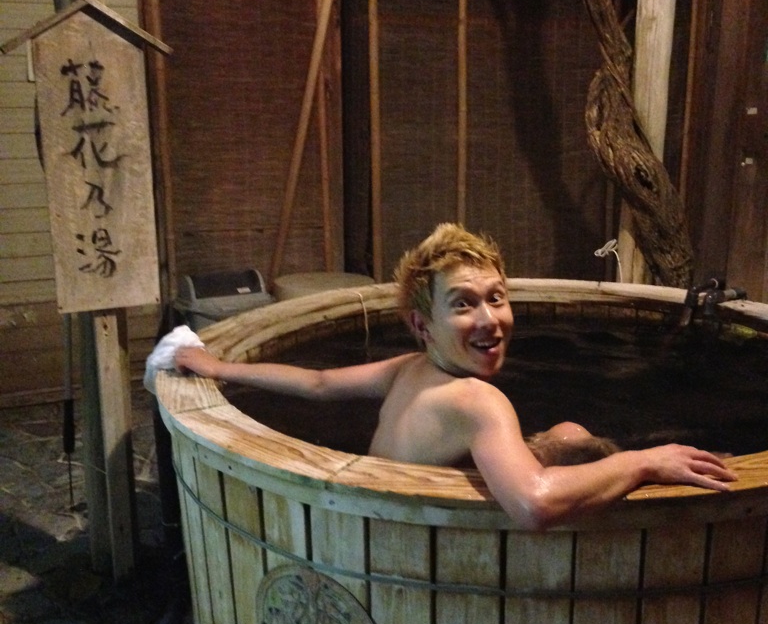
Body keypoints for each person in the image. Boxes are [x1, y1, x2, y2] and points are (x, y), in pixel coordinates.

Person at [173, 223, 735, 529]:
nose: (489, 319)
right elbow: (534, 505)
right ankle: (670, 459)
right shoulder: (476, 401)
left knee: (567, 434)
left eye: (497, 298)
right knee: (594, 449)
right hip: (419, 549)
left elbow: (316, 384)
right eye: (464, 304)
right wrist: (642, 463)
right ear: (423, 324)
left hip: (369, 528)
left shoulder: (408, 369)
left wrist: (219, 367)